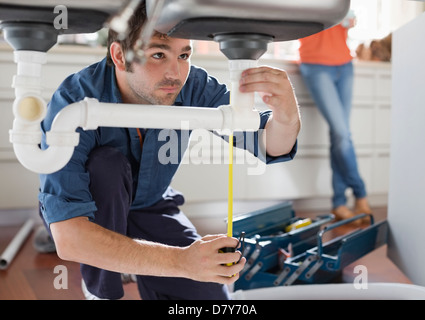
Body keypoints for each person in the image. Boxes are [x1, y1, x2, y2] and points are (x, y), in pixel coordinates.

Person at [38, 3, 300, 300]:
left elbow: (268, 144)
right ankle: (100, 288)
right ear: (120, 56)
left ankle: (132, 258)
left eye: (184, 55)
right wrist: (180, 262)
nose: (175, 73)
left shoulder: (192, 84)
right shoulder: (73, 100)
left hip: (151, 204)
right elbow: (69, 238)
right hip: (93, 209)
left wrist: (287, 116)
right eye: (158, 54)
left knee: (212, 298)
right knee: (107, 165)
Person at [298, 14, 371, 222]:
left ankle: (339, 203)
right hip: (316, 64)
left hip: (345, 64)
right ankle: (361, 194)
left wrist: (348, 18)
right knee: (342, 133)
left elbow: (350, 21)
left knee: (339, 136)